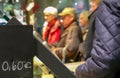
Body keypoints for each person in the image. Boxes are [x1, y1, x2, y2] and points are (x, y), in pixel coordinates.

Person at [75, 0, 120, 78]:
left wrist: (77, 72)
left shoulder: (111, 4)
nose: (90, 10)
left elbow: (103, 64)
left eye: (93, 6)